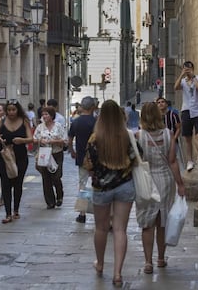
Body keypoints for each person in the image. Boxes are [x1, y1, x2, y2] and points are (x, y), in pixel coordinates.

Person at [82, 99, 137, 287]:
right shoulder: (127, 136)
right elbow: (136, 159)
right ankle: (118, 273)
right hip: (125, 186)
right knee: (120, 229)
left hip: (102, 189)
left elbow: (88, 166)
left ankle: (100, 263)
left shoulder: (95, 138)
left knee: (101, 228)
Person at [136, 102, 185, 275]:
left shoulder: (138, 136)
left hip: (146, 181)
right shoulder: (168, 134)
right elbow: (172, 161)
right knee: (162, 222)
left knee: (147, 223)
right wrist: (180, 184)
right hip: (165, 180)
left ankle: (148, 262)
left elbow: (136, 162)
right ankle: (161, 259)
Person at [0, 99, 33, 224]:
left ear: (18, 110)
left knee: (18, 183)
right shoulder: (1, 122)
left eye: (14, 110)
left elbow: (31, 138)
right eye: (9, 110)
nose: (11, 112)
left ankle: (16, 209)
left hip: (20, 156)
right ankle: (8, 213)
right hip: (4, 156)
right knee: (5, 183)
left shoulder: (24, 121)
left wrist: (22, 141)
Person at [174, 60, 198, 171]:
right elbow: (176, 87)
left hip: (197, 111)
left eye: (189, 68)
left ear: (193, 69)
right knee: (187, 137)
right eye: (185, 68)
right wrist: (181, 75)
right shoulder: (183, 81)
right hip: (186, 111)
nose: (187, 70)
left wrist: (193, 77)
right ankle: (189, 161)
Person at [68, 96, 96, 223]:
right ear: (92, 107)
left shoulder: (76, 122)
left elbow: (70, 139)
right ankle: (99, 213)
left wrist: (72, 151)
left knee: (82, 185)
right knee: (98, 186)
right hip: (96, 159)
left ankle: (82, 213)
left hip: (81, 158)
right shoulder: (96, 122)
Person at [33, 106, 67, 209]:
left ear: (52, 115)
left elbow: (65, 141)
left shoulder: (58, 126)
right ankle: (50, 201)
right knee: (46, 177)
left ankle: (59, 195)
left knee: (56, 176)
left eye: (46, 114)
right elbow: (34, 139)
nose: (44, 116)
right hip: (44, 153)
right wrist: (39, 141)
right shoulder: (40, 127)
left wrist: (54, 141)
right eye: (43, 114)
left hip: (56, 153)